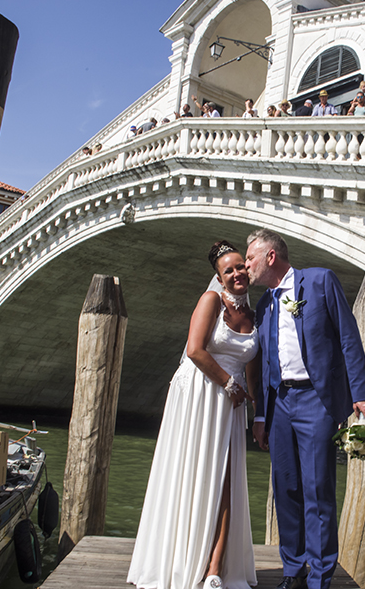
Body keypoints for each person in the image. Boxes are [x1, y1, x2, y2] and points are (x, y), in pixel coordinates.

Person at [246, 228, 365, 589]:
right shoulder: (264, 305)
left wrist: (362, 392)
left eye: (251, 258)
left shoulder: (320, 282)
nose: (247, 266)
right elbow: (264, 364)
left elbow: (348, 336)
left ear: (271, 257)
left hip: (315, 401)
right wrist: (260, 414)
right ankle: (293, 569)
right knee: (285, 487)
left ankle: (320, 576)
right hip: (280, 405)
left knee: (318, 488)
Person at [128, 241, 258, 589]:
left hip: (232, 404)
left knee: (227, 482)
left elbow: (253, 371)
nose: (235, 274)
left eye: (239, 267)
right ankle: (181, 560)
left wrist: (259, 413)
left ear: (248, 269)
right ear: (219, 278)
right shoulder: (210, 301)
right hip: (202, 393)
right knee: (193, 474)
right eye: (227, 270)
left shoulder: (254, 315)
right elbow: (195, 350)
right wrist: (231, 386)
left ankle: (215, 567)